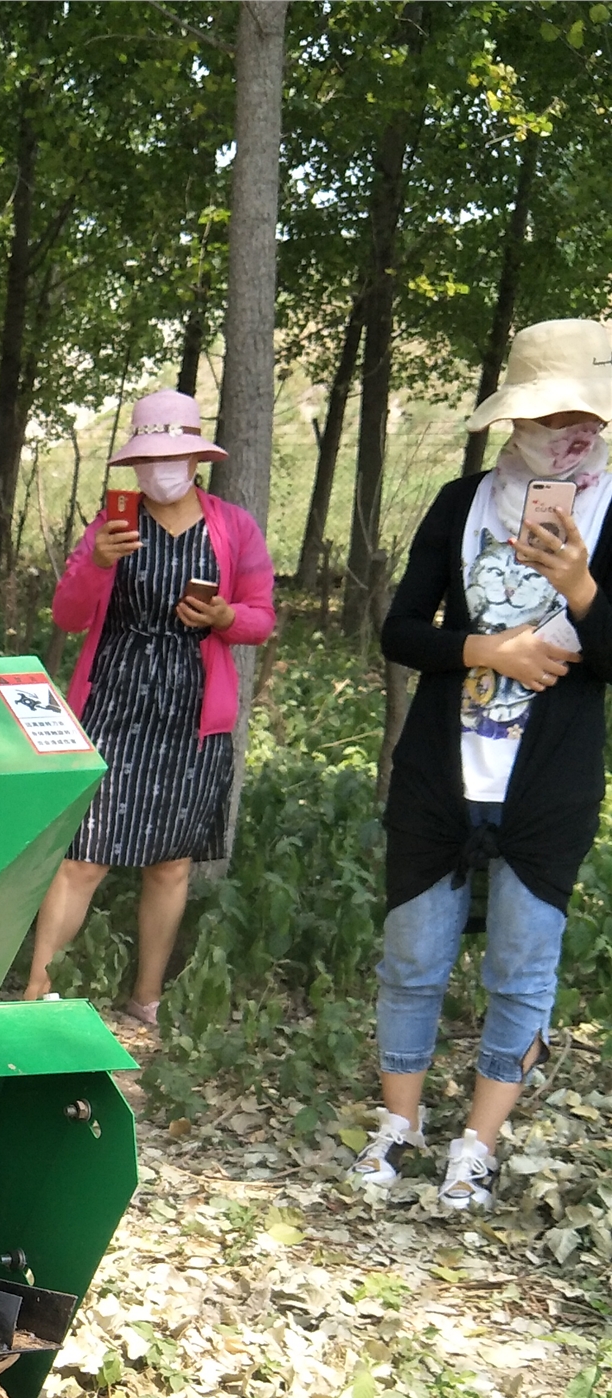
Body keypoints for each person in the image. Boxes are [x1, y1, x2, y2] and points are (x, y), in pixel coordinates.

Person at [352, 318, 612, 1212]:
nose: (570, 432)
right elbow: (399, 631)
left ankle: (479, 1141)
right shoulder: (460, 504)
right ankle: (400, 1126)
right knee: (413, 959)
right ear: (513, 422)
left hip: (549, 786)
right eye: (551, 414)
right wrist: (484, 651)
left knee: (521, 969)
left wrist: (580, 584)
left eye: (587, 415)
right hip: (440, 773)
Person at [25, 390, 276, 1027]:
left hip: (194, 710)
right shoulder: (112, 526)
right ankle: (35, 993)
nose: (161, 469)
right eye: (148, 458)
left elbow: (261, 616)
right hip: (113, 697)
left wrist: (225, 617)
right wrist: (96, 564)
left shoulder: (232, 527)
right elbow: (69, 616)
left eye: (174, 455)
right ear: (134, 465)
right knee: (83, 854)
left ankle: (147, 1000)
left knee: (170, 862)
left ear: (196, 458)